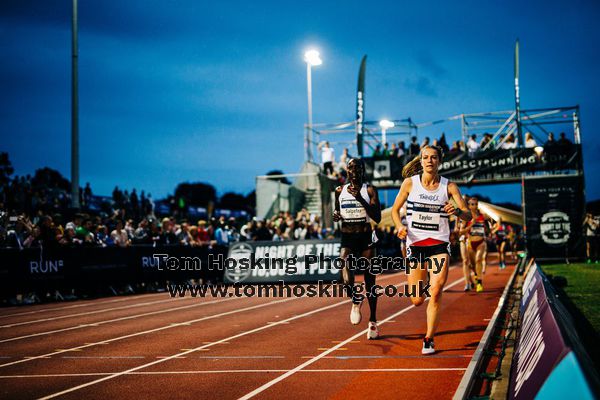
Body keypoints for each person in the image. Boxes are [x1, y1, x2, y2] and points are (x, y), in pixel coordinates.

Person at [391, 145, 471, 354]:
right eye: (425, 157)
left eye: (433, 158)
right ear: (421, 161)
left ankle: (429, 339)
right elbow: (394, 210)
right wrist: (400, 226)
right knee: (417, 300)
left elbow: (468, 215)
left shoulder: (449, 187)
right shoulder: (410, 183)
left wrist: (457, 212)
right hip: (416, 244)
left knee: (436, 292)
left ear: (439, 161)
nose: (429, 161)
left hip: (439, 245)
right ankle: (421, 279)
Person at [333, 158, 382, 340]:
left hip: (366, 235)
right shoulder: (339, 191)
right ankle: (355, 299)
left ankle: (373, 321)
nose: (354, 170)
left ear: (362, 171)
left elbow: (376, 217)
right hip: (348, 236)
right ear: (347, 171)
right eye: (351, 167)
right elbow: (337, 211)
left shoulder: (369, 190)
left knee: (370, 281)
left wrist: (360, 198)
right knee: (344, 275)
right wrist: (336, 215)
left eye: (357, 167)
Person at [459, 197, 491, 292]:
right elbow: (461, 231)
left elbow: (490, 226)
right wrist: (471, 224)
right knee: (472, 265)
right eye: (472, 204)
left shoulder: (483, 216)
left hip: (481, 242)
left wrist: (487, 227)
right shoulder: (466, 218)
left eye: (476, 204)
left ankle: (480, 283)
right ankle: (477, 276)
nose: (474, 206)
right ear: (468, 206)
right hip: (470, 243)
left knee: (478, 260)